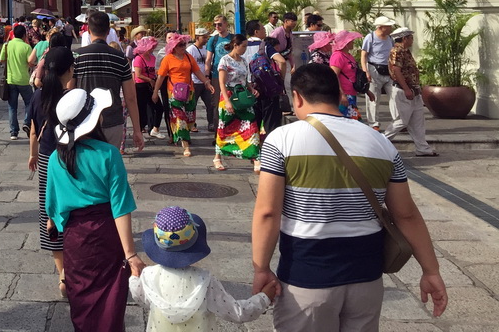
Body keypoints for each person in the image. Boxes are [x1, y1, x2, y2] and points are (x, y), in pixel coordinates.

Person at [252, 62, 448, 330]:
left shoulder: (281, 140)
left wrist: (261, 268)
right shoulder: (381, 143)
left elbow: (268, 212)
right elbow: (406, 214)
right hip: (366, 279)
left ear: (297, 97)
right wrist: (431, 270)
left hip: (307, 277)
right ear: (339, 95)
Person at [45, 87, 142, 332]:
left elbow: (52, 210)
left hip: (75, 239)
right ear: (94, 119)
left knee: (83, 302)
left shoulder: (57, 158)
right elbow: (120, 207)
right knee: (110, 301)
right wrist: (131, 255)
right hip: (106, 235)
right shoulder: (109, 154)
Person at [130, 206, 274, 331]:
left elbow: (140, 297)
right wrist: (264, 297)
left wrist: (134, 276)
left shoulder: (148, 276)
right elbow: (237, 313)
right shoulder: (204, 282)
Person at [27, 47, 76, 297]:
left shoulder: (37, 96)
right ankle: (73, 268)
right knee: (72, 210)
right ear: (69, 70)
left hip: (47, 158)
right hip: (70, 159)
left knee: (50, 212)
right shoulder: (74, 97)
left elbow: (34, 130)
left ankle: (62, 274)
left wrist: (32, 154)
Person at [74, 11, 144, 152]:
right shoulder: (120, 57)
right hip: (113, 121)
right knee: (109, 165)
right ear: (108, 31)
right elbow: (130, 97)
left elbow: (70, 91)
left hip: (84, 121)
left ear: (88, 30)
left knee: (87, 166)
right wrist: (137, 130)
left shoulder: (77, 57)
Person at [156, 34, 214, 158]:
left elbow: (197, 71)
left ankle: (183, 135)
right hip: (174, 93)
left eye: (184, 44)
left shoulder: (188, 57)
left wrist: (206, 82)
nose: (183, 47)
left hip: (189, 92)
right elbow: (161, 76)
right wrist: (156, 92)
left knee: (189, 118)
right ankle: (185, 144)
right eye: (180, 45)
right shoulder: (168, 59)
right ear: (174, 47)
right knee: (180, 118)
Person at [385, 28, 438, 157]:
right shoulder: (397, 51)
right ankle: (381, 140)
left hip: (413, 91)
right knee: (402, 121)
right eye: (411, 38)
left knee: (418, 121)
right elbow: (397, 71)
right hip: (404, 91)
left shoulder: (405, 51)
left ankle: (422, 148)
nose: (412, 40)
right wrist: (406, 89)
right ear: (404, 39)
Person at [214, 34, 260, 173]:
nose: (245, 49)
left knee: (251, 124)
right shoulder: (225, 60)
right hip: (228, 95)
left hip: (243, 96)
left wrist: (251, 89)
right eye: (243, 46)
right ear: (235, 45)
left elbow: (245, 80)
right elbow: (221, 82)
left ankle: (256, 157)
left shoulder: (243, 61)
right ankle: (218, 157)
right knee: (225, 127)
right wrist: (227, 101)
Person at [361, 16, 396, 130]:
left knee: (394, 95)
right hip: (374, 68)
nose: (390, 28)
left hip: (388, 69)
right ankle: (373, 123)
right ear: (381, 27)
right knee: (374, 98)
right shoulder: (370, 37)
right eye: (388, 26)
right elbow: (364, 55)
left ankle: (397, 120)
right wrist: (365, 71)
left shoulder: (390, 38)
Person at [0, 25, 34, 141]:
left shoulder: (7, 45)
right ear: (24, 35)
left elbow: (1, 59)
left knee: (12, 106)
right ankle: (26, 122)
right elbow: (30, 62)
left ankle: (13, 131)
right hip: (24, 80)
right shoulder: (26, 47)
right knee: (29, 103)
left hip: (11, 79)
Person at [329, 30, 366, 121]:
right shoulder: (338, 56)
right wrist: (341, 94)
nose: (353, 42)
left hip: (351, 93)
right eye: (351, 40)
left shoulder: (348, 55)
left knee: (351, 121)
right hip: (345, 94)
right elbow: (334, 75)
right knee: (352, 122)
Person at [186, 28, 217, 133]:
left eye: (206, 37)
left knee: (210, 103)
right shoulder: (191, 50)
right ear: (197, 37)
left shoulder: (206, 49)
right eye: (203, 37)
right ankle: (192, 124)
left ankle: (211, 123)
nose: (205, 39)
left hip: (206, 81)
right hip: (195, 82)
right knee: (192, 104)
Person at [131, 36, 161, 138]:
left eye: (153, 47)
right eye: (151, 47)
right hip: (141, 86)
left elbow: (155, 70)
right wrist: (150, 80)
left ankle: (155, 128)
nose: (152, 49)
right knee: (142, 110)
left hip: (151, 85)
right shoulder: (138, 58)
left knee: (158, 108)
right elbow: (138, 75)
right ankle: (139, 130)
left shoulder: (153, 57)